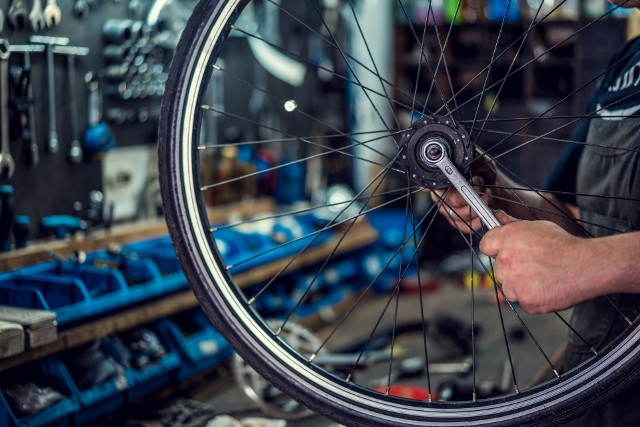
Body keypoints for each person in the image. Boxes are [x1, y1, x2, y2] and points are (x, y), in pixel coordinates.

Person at [432, 1, 640, 425]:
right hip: (600, 381)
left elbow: (582, 255)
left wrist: (585, 265)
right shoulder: (629, 62)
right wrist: (495, 192)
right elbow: (571, 216)